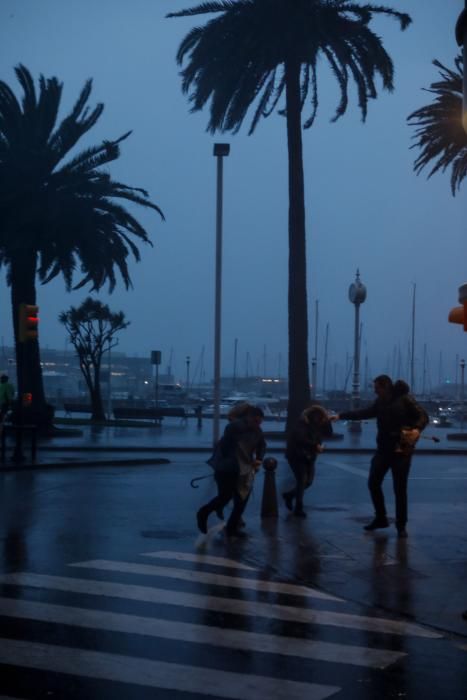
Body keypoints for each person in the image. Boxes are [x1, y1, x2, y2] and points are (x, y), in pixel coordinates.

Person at [332, 375, 428, 538]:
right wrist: (341, 416)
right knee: (373, 483)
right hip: (383, 448)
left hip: (402, 448)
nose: (375, 391)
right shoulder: (380, 402)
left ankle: (401, 525)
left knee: (400, 488)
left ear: (385, 387)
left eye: (377, 388)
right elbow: (364, 413)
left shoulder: (405, 399)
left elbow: (423, 416)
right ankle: (381, 517)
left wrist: (417, 429)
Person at [197, 405, 266, 538]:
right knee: (225, 496)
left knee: (241, 500)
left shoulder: (257, 430)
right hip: (228, 469)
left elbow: (262, 445)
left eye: (259, 421)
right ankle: (204, 512)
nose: (258, 424)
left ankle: (231, 528)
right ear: (249, 418)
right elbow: (229, 448)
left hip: (244, 469)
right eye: (255, 421)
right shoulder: (235, 428)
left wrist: (259, 458)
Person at [282, 404, 331, 517]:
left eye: (320, 416)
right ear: (311, 415)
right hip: (297, 455)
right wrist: (315, 446)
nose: (318, 418)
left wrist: (327, 420)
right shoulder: (302, 424)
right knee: (302, 480)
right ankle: (298, 508)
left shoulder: (319, 424)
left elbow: (329, 433)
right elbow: (301, 439)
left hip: (310, 456)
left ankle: (289, 495)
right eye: (317, 415)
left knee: (308, 482)